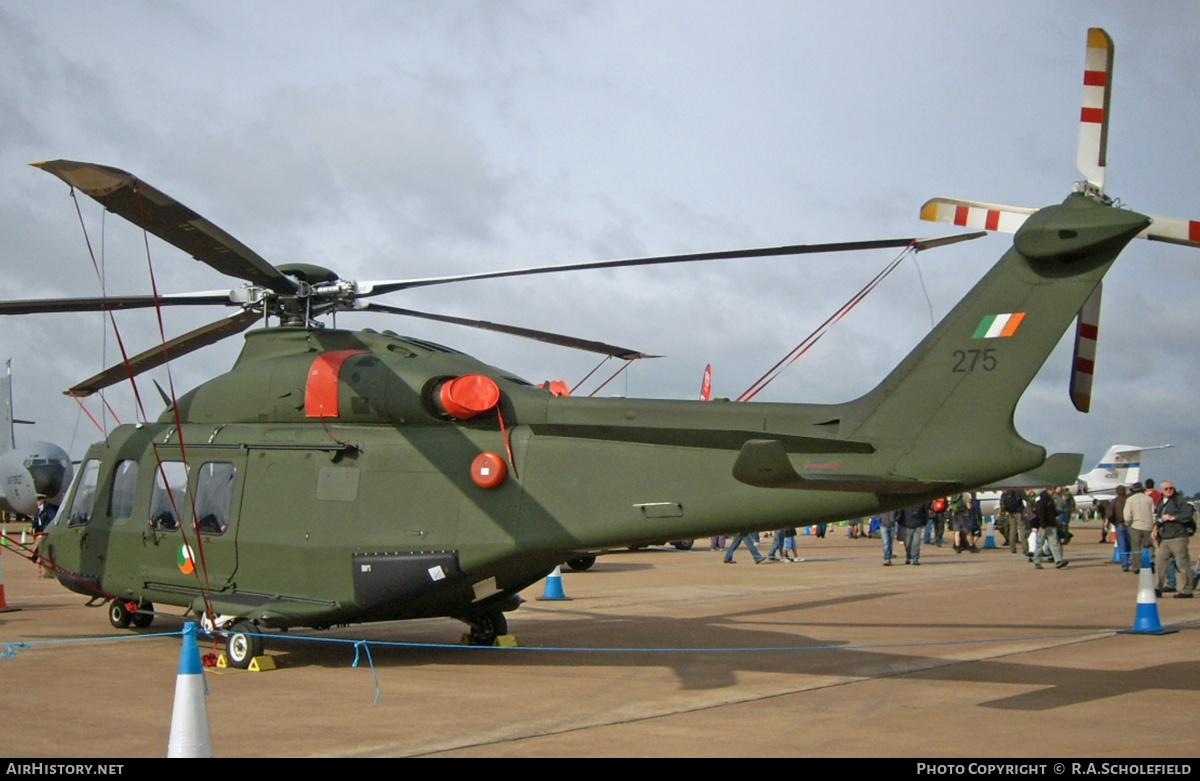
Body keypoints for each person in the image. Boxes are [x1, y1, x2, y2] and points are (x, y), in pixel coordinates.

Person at [1154, 481, 1195, 598]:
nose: (1169, 490)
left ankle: (1187, 590)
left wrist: (1174, 517)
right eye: (1166, 488)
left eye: (1171, 488)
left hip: (1178, 537)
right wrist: (1156, 528)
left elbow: (1188, 514)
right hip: (1164, 538)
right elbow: (1159, 517)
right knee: (1160, 563)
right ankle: (1158, 588)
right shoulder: (1162, 502)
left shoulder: (1180, 500)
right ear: (1162, 490)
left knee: (1182, 564)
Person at [1123, 482, 1156, 575]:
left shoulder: (1130, 500)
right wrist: (1153, 523)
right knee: (1149, 545)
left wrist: (1128, 523)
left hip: (1135, 525)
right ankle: (1151, 563)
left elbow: (1127, 515)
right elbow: (1154, 513)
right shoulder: (1149, 499)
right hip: (1148, 525)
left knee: (1136, 547)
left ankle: (1137, 566)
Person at [1031, 489, 1068, 569]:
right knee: (1053, 543)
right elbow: (1050, 513)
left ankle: (1037, 562)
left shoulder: (1039, 501)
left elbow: (1038, 515)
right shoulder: (1049, 501)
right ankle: (1058, 560)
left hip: (1043, 526)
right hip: (1049, 525)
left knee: (1040, 544)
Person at [1106, 484, 1131, 571]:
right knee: (1130, 544)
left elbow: (1109, 514)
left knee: (1122, 545)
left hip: (1119, 525)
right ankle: (1130, 561)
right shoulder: (1129, 500)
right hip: (1129, 525)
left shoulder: (1114, 501)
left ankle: (1125, 564)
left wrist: (1114, 522)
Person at [999, 488, 1026, 554]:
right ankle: (1025, 548)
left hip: (1011, 513)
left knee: (1012, 530)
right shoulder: (1018, 490)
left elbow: (1002, 504)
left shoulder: (1004, 494)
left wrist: (1005, 511)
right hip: (1019, 512)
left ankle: (1012, 548)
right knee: (1022, 530)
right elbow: (1026, 498)